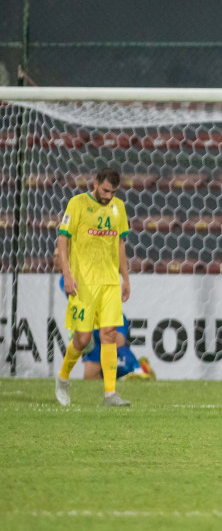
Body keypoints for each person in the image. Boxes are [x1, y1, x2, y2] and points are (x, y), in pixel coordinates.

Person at [54, 166, 132, 408]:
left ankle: (110, 394)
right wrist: (67, 274)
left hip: (109, 282)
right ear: (96, 183)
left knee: (109, 334)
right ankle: (63, 378)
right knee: (82, 339)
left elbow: (120, 244)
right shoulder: (77, 204)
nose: (109, 196)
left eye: (113, 192)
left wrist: (126, 278)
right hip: (84, 284)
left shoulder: (118, 207)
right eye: (106, 190)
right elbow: (63, 239)